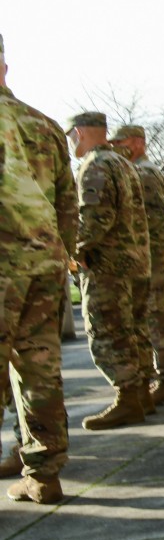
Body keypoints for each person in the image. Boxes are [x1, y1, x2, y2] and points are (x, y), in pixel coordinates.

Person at [0, 32, 75, 502]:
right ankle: (45, 475)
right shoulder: (43, 125)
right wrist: (60, 251)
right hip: (44, 264)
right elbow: (68, 203)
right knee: (39, 370)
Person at [69, 111, 157, 430]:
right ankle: (142, 394)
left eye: (71, 136)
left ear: (79, 133)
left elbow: (95, 219)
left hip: (108, 267)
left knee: (106, 332)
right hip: (135, 262)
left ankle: (128, 398)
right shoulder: (123, 163)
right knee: (133, 330)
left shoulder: (96, 165)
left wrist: (74, 250)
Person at [111, 125, 164, 405]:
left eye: (122, 141)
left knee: (157, 314)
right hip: (156, 249)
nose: (118, 146)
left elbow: (141, 217)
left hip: (151, 251)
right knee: (161, 313)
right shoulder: (148, 169)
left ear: (138, 142)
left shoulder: (142, 172)